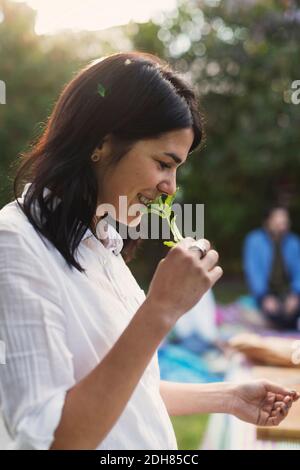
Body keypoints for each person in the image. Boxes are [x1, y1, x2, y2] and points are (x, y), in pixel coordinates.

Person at [0, 52, 298, 451]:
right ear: (101, 143)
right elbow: (55, 439)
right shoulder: (15, 244)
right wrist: (160, 311)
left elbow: (129, 389)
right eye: (163, 163)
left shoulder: (102, 246)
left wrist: (227, 397)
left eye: (177, 169)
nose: (170, 187)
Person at [243, 205, 300, 330]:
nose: (282, 226)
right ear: (267, 222)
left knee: (292, 313)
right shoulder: (254, 241)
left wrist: (296, 294)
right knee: (275, 315)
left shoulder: (294, 243)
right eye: (278, 222)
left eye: (285, 222)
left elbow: (298, 271)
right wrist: (264, 297)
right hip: (267, 294)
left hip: (289, 293)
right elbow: (253, 272)